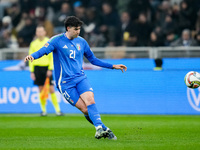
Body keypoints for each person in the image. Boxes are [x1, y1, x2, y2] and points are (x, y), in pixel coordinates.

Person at [24, 16, 127, 140]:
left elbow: (93, 59)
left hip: (80, 78)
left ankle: (99, 128)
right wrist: (32, 57)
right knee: (84, 109)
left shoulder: (82, 42)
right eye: (76, 29)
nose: (78, 32)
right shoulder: (56, 41)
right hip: (65, 83)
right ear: (68, 28)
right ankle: (105, 129)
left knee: (90, 100)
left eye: (79, 29)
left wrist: (112, 66)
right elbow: (43, 51)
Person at [29, 25, 63, 116]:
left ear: (44, 32)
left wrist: (50, 69)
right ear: (36, 33)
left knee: (51, 89)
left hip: (46, 68)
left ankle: (58, 110)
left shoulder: (49, 41)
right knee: (40, 89)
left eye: (41, 31)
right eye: (38, 31)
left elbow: (52, 57)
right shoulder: (33, 44)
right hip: (37, 68)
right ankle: (43, 111)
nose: (39, 33)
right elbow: (31, 58)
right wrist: (32, 71)